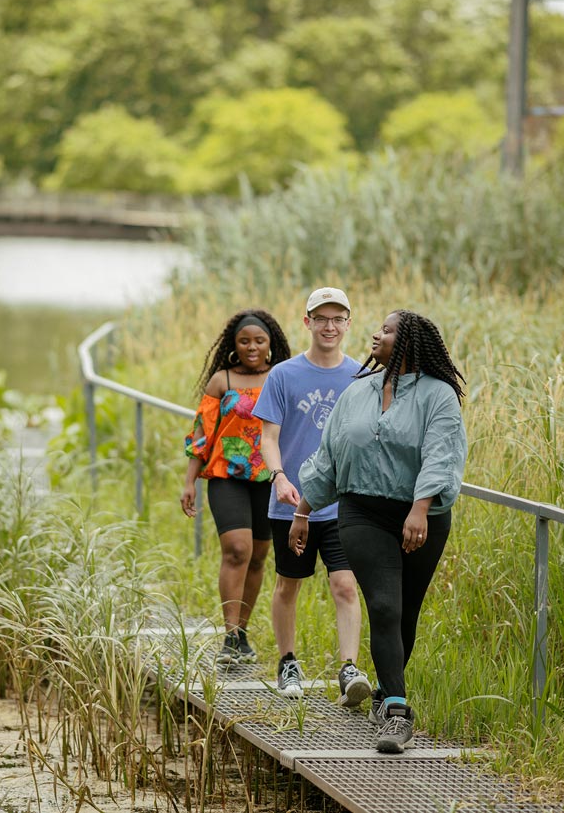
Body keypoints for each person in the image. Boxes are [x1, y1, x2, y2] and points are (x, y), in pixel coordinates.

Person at [295, 309, 467, 753]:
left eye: (387, 331)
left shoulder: (438, 395)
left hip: (421, 517)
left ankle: (384, 692)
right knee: (385, 606)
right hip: (361, 512)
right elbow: (329, 454)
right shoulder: (358, 391)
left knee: (405, 613)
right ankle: (396, 710)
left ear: (408, 343)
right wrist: (303, 511)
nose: (376, 334)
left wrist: (420, 508)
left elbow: (442, 454)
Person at [253, 287, 370, 703]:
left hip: (343, 506)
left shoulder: (361, 376)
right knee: (289, 584)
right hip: (289, 503)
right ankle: (288, 662)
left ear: (348, 324)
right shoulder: (284, 375)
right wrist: (279, 477)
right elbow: (268, 437)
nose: (329, 326)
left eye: (338, 319)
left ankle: (349, 668)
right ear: (307, 322)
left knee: (344, 585)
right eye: (321, 318)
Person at [181, 309, 292, 664]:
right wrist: (189, 482)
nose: (251, 347)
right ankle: (230, 636)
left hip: (268, 478)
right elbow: (201, 435)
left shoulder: (281, 377)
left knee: (259, 555)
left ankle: (242, 632)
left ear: (270, 344)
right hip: (227, 476)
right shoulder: (221, 381)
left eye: (259, 340)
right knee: (237, 550)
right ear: (234, 344)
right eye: (244, 341)